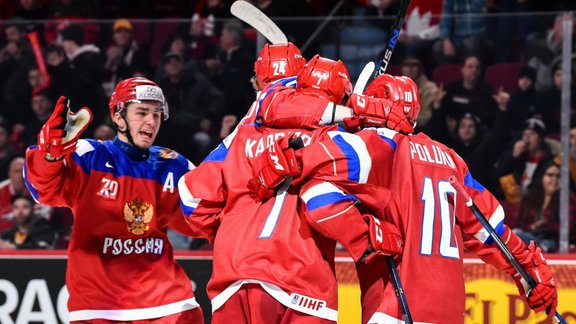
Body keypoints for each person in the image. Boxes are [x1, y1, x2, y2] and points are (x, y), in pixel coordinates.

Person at [252, 74, 559, 323]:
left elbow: (315, 188)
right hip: (451, 313)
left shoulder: (379, 146)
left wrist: (363, 233)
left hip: (396, 308)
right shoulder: (450, 158)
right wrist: (531, 271)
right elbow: (490, 231)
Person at [179, 55, 356, 323]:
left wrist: (230, 230)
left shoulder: (242, 137)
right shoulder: (335, 143)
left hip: (233, 276)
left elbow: (192, 198)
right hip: (301, 281)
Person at [23, 77, 204, 323]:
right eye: (141, 112)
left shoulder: (173, 164)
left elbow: (203, 220)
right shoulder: (89, 155)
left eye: (157, 114)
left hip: (168, 304)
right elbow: (43, 190)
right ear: (118, 117)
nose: (151, 121)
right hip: (99, 307)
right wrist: (49, 157)